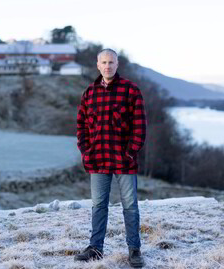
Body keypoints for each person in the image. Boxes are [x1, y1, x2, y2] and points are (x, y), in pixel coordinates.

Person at [74, 48, 147, 268]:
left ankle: (134, 251)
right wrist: (86, 151)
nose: (108, 66)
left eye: (111, 62)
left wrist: (129, 152)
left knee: (130, 206)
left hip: (124, 161)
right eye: (104, 62)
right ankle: (95, 248)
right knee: (98, 205)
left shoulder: (131, 91)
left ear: (117, 64)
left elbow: (140, 127)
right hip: (98, 160)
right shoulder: (89, 93)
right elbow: (82, 126)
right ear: (97, 65)